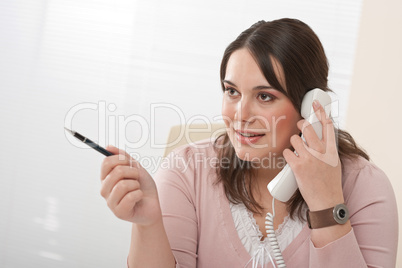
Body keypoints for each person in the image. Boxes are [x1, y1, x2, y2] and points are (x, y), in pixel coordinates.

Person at [99, 18, 398, 267]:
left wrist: (327, 202)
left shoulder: (365, 186)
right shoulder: (186, 170)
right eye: (232, 91)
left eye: (264, 96)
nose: (240, 115)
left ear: (311, 105)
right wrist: (149, 224)